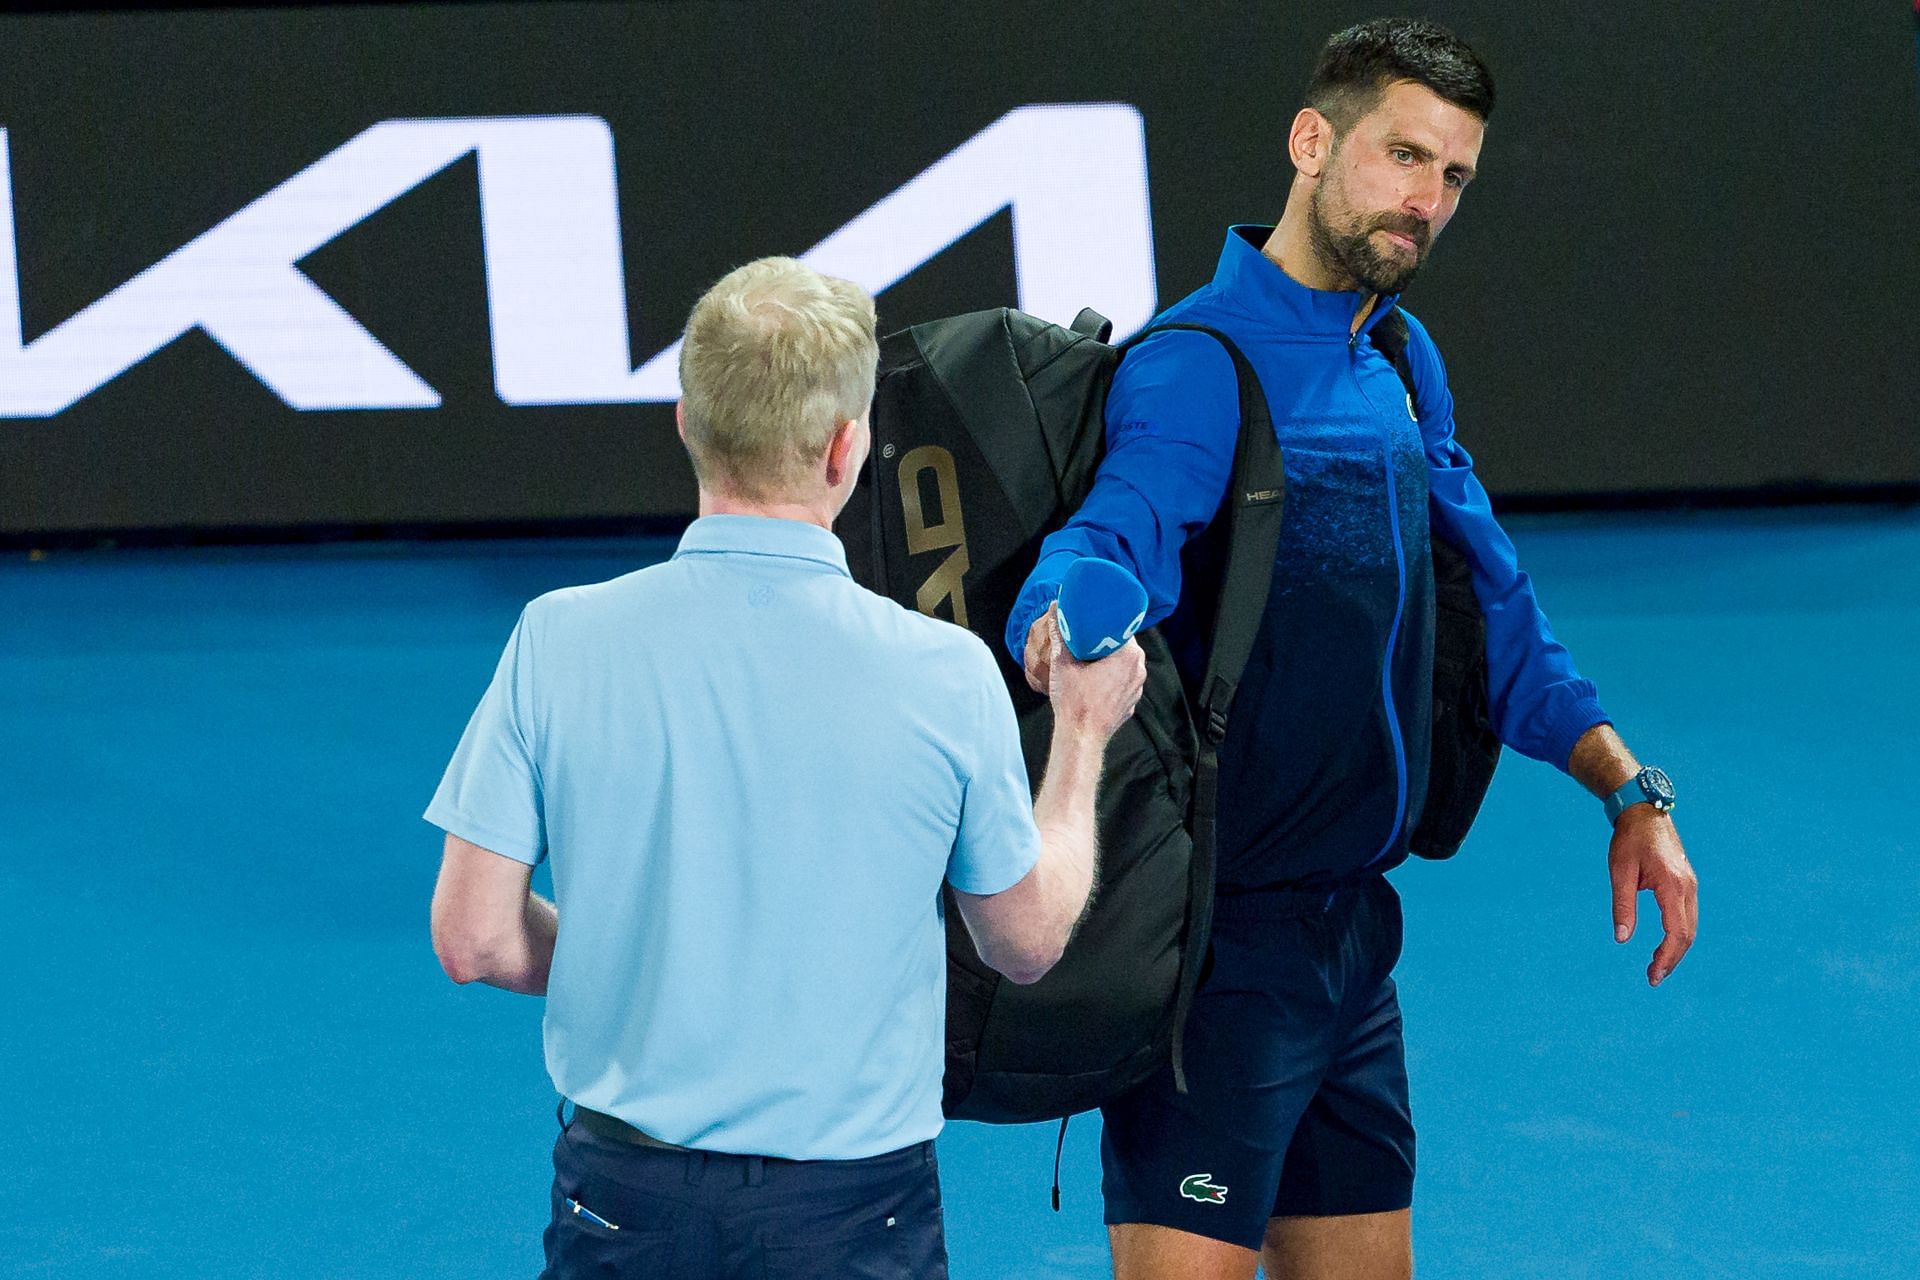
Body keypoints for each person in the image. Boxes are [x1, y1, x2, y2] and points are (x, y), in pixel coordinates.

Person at [1004, 20, 1700, 1280]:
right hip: (1218, 961)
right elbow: (1122, 529)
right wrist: (1067, 610)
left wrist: (1627, 787)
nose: (1426, 200)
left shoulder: (1398, 354)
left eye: (1454, 176)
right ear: (1311, 142)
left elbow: (1495, 610)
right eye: (1402, 156)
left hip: (1351, 948)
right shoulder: (1197, 363)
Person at [425, 256, 1146, 1279]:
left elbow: (476, 937)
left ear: (685, 420)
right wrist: (1080, 738)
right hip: (853, 1209)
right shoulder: (943, 673)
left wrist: (625, 961)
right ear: (848, 447)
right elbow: (1024, 939)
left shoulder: (556, 639)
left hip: (623, 1195)